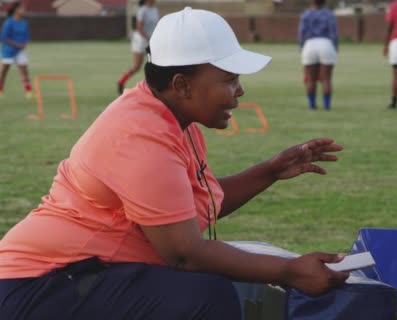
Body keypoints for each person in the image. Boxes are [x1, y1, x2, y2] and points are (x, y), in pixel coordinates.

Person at [0, 8, 349, 319]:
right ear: (182, 85)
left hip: (74, 275)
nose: (240, 91)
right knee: (204, 297)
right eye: (230, 80)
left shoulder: (170, 119)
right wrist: (289, 271)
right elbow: (184, 253)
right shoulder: (140, 134)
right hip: (36, 284)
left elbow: (192, 208)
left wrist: (270, 171)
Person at [298, 0, 338, 110]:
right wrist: (335, 47)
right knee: (326, 79)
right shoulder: (329, 14)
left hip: (309, 44)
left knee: (310, 79)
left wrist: (302, 48)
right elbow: (333, 33)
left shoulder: (306, 14)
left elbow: (301, 33)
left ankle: (312, 105)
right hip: (326, 44)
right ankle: (327, 106)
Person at [117, 0, 159, 95]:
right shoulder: (142, 10)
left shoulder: (155, 10)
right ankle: (121, 82)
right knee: (137, 67)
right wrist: (148, 38)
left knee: (154, 64)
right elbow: (139, 28)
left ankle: (152, 88)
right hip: (141, 40)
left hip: (152, 41)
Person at [0, 1, 31, 98]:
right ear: (16, 10)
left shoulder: (24, 23)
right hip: (9, 50)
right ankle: (0, 90)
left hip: (20, 50)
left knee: (24, 71)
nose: (24, 10)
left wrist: (24, 44)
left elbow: (26, 36)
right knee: (4, 71)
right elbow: (4, 37)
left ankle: (28, 91)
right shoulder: (9, 22)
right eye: (22, 9)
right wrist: (16, 44)